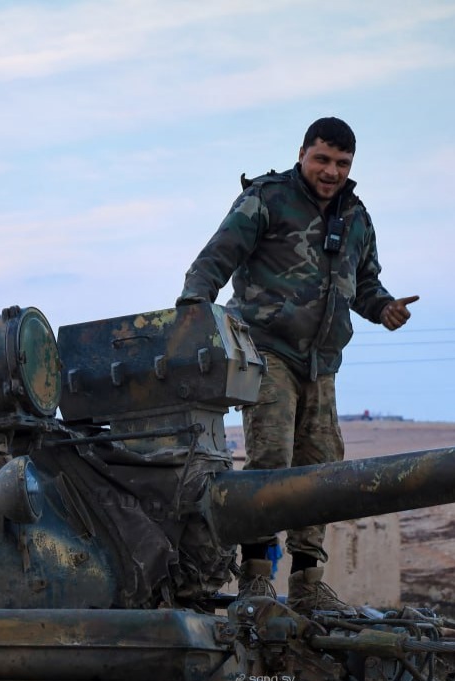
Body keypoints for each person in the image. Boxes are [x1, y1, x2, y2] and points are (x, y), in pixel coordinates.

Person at [177, 117, 417, 614]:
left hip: (321, 363)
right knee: (271, 459)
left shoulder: (356, 217)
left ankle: (308, 582)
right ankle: (256, 576)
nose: (331, 172)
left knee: (321, 467)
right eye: (322, 159)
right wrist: (194, 308)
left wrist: (385, 308)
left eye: (342, 163)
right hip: (267, 350)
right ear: (302, 154)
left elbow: (365, 285)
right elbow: (217, 257)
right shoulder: (266, 199)